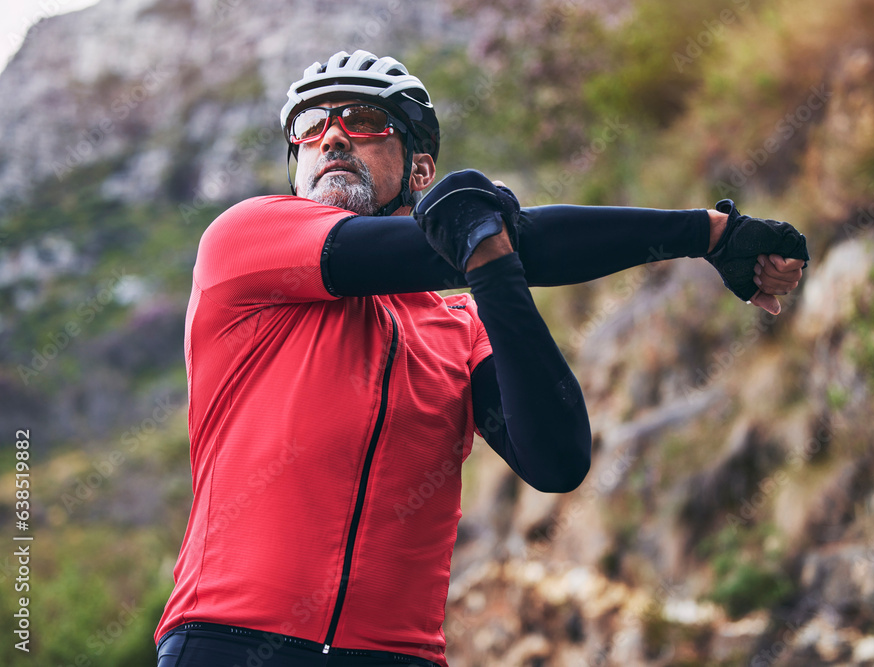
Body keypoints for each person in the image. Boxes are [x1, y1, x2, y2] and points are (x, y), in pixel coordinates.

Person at [154, 49, 807, 667]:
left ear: (419, 169)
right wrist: (709, 233)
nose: (331, 137)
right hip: (229, 640)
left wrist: (494, 268)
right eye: (309, 125)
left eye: (365, 120)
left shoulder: (461, 327)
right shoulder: (245, 244)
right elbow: (462, 245)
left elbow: (557, 461)